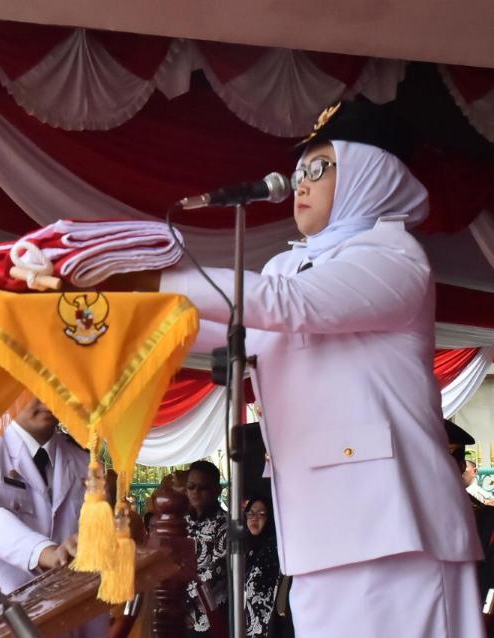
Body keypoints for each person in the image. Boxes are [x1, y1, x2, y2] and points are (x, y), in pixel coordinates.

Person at [158, 100, 483, 636]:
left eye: (319, 168)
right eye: (298, 171)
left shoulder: (394, 257)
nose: (299, 184)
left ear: (368, 174)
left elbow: (287, 304)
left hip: (395, 529)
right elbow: (214, 325)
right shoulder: (288, 267)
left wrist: (142, 281)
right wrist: (101, 315)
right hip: (314, 533)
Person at [0, 396, 107, 636]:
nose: (47, 399)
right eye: (31, 389)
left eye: (54, 388)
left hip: (72, 616)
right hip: (5, 618)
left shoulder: (85, 462)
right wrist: (45, 552)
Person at [184, 460, 228, 637]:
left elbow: (216, 572)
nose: (195, 492)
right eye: (191, 487)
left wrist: (185, 603)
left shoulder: (226, 524)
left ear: (217, 490)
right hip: (175, 611)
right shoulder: (180, 522)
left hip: (210, 615)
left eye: (203, 488)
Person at [242, 495, 279, 638]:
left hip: (266, 626)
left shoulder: (275, 550)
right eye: (250, 513)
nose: (254, 518)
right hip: (243, 623)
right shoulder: (243, 548)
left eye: (261, 514)